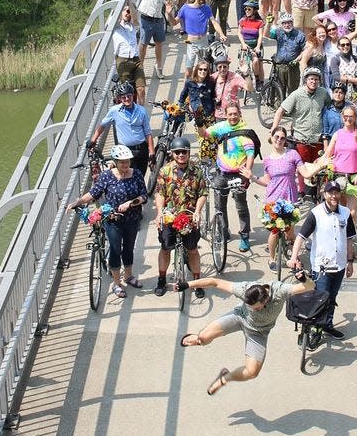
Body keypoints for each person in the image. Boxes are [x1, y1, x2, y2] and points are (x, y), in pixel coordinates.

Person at [178, 270, 314, 394]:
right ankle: (198, 338)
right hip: (239, 317)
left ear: (266, 300)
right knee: (203, 338)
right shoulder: (245, 288)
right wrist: (186, 285)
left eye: (256, 308)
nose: (254, 309)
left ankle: (225, 377)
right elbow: (215, 282)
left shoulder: (280, 291)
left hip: (259, 332)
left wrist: (303, 279)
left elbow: (309, 286)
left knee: (252, 372)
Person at [67, 145, 148, 298]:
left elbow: (144, 196)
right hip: (112, 219)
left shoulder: (136, 174)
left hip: (131, 218)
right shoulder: (107, 176)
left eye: (127, 161)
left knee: (129, 248)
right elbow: (93, 193)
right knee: (115, 249)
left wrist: (130, 203)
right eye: (122, 162)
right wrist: (77, 202)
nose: (125, 165)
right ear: (115, 162)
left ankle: (128, 276)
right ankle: (117, 283)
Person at [252, 127, 329, 269]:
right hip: (273, 199)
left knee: (289, 233)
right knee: (275, 231)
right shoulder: (268, 160)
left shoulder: (293, 154)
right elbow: (267, 180)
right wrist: (253, 177)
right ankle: (271, 258)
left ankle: (295, 252)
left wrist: (320, 166)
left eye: (282, 138)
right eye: (276, 137)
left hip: (290, 199)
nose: (279, 140)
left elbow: (305, 174)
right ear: (271, 138)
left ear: (285, 140)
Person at [289, 181, 356, 338]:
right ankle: (315, 329)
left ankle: (327, 325)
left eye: (336, 192)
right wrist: (293, 257)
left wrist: (350, 262)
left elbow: (349, 239)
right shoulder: (316, 213)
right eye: (330, 192)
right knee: (320, 298)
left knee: (332, 298)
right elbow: (300, 237)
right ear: (324, 194)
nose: (333, 195)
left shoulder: (345, 213)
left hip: (339, 265)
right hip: (321, 267)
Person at [153, 136, 208, 298]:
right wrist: (160, 212)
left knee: (192, 250)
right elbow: (160, 193)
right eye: (177, 152)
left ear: (189, 153)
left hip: (189, 218)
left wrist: (197, 211)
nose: (181, 155)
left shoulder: (197, 171)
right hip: (170, 217)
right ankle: (161, 280)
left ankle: (197, 282)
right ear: (172, 154)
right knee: (165, 249)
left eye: (184, 152)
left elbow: (203, 194)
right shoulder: (165, 171)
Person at [204, 104, 256, 252]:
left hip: (238, 175)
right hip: (221, 174)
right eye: (230, 114)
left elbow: (251, 155)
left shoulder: (245, 132)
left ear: (240, 114)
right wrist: (200, 124)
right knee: (219, 207)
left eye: (235, 114)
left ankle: (245, 236)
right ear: (226, 115)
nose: (233, 117)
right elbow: (204, 134)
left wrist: (247, 172)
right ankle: (223, 232)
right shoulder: (221, 127)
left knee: (241, 207)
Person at [272, 67, 330, 197]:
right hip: (301, 139)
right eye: (311, 79)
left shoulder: (323, 93)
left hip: (318, 139)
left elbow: (329, 108)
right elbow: (280, 111)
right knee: (302, 168)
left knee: (318, 167)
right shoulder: (296, 95)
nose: (313, 82)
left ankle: (316, 193)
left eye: (316, 79)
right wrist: (274, 129)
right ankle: (303, 193)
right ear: (305, 81)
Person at [93, 82, 154, 177]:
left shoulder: (142, 111)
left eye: (129, 96)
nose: (126, 99)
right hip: (125, 151)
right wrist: (93, 140)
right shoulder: (114, 111)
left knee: (140, 177)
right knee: (126, 178)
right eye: (123, 97)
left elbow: (148, 133)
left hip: (142, 150)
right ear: (119, 98)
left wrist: (152, 153)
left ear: (133, 95)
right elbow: (102, 126)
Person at [326, 106, 357, 219]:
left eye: (351, 116)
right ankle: (343, 233)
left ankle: (349, 234)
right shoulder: (337, 134)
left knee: (351, 213)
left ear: (355, 117)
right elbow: (328, 154)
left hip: (354, 177)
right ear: (342, 118)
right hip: (338, 176)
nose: (348, 119)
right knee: (341, 209)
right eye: (345, 116)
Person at [175, 0, 226, 79]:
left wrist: (221, 34)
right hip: (191, 43)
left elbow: (214, 22)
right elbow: (174, 22)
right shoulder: (185, 8)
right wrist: (169, 13)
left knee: (204, 70)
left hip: (203, 42)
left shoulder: (206, 8)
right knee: (188, 72)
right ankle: (186, 91)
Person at [137, 0, 171, 78]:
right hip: (146, 18)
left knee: (159, 44)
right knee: (143, 44)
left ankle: (159, 66)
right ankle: (140, 67)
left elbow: (168, 1)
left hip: (158, 19)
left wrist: (172, 3)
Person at [178, 62, 217, 161]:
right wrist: (181, 106)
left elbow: (214, 95)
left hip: (209, 114)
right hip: (198, 116)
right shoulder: (189, 82)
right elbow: (183, 95)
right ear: (196, 70)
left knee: (212, 139)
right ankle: (203, 162)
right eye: (200, 69)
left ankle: (213, 160)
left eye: (205, 69)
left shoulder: (211, 82)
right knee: (203, 140)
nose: (202, 71)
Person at [111, 5, 146, 105]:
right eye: (125, 11)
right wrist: (121, 6)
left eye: (129, 11)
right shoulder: (116, 26)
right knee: (127, 93)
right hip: (123, 60)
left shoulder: (133, 25)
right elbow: (114, 19)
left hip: (135, 60)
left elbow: (135, 15)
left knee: (141, 89)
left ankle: (141, 113)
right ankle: (129, 113)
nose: (127, 13)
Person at [237, 0, 265, 85]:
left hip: (255, 45)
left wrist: (258, 47)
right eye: (245, 9)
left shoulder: (259, 22)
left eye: (249, 9)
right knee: (242, 63)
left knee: (256, 62)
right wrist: (243, 44)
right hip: (245, 45)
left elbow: (260, 36)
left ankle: (258, 81)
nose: (247, 11)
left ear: (254, 10)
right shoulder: (242, 20)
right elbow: (239, 33)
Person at [212, 54, 248, 119]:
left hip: (233, 115)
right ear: (217, 68)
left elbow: (249, 88)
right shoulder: (213, 77)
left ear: (228, 67)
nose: (222, 69)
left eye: (225, 67)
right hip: (218, 115)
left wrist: (246, 74)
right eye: (220, 67)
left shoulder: (235, 77)